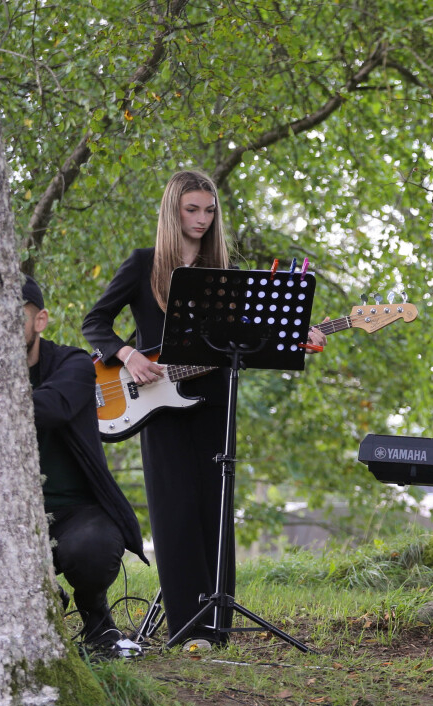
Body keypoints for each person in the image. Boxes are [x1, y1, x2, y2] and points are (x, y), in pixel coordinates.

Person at [83, 169, 323, 646]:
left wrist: (301, 335)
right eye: (191, 209)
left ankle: (218, 628)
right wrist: (128, 355)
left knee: (215, 511)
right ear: (173, 211)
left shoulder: (226, 277)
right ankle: (188, 629)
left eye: (209, 210)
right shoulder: (143, 265)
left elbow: (250, 343)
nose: (201, 219)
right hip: (157, 407)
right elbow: (95, 322)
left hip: (214, 402)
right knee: (173, 515)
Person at [23, 275, 147, 659]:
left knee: (94, 548)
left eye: (14, 317)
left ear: (40, 320)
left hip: (75, 512)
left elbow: (51, 407)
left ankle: (96, 616)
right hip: (11, 518)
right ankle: (46, 597)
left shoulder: (74, 363)